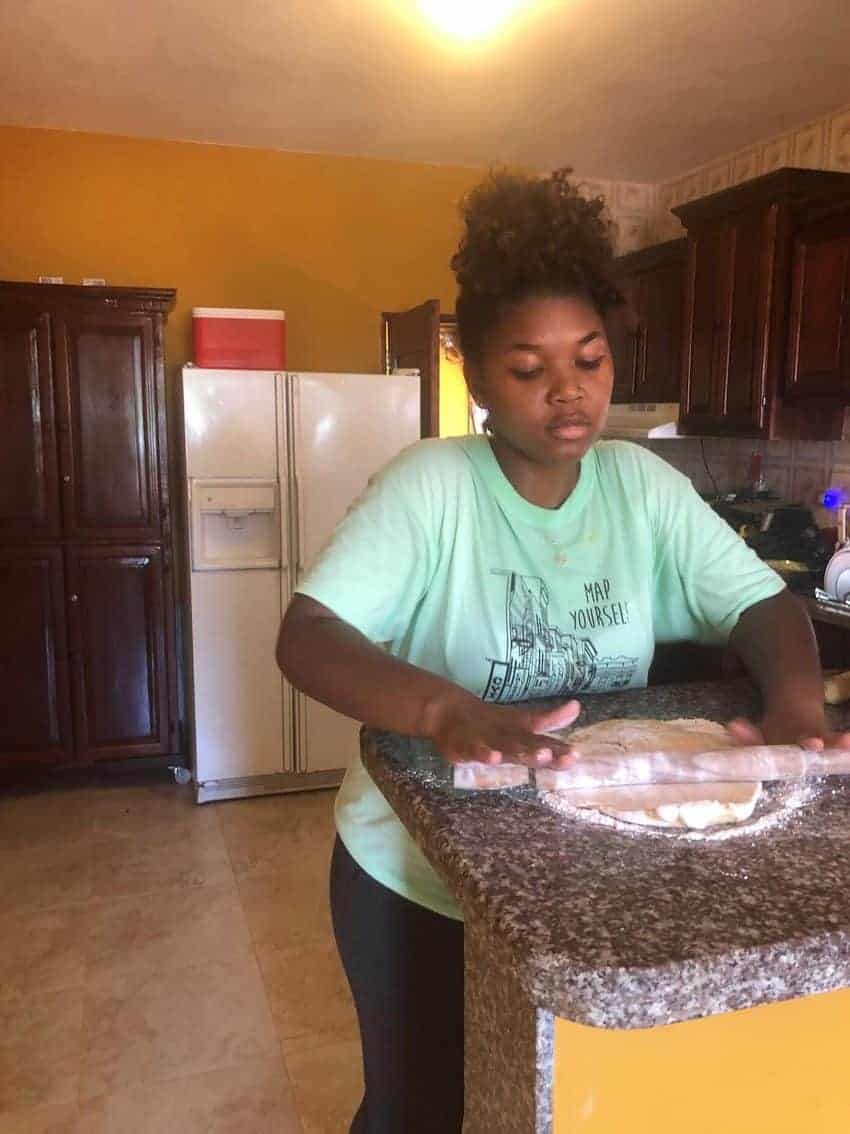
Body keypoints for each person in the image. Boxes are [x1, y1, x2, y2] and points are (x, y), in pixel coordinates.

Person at [276, 167, 849, 1134]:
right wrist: (445, 710)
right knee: (417, 1109)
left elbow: (763, 605)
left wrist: (796, 708)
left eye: (588, 360)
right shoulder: (432, 486)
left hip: (583, 876)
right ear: (474, 375)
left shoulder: (643, 487)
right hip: (416, 877)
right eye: (529, 368)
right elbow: (308, 637)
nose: (567, 393)